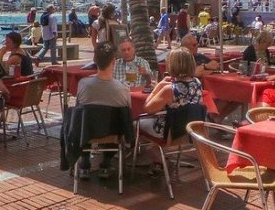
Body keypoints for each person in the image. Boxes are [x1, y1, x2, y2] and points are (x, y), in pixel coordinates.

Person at [141, 47, 204, 176]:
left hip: (170, 131)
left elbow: (148, 108)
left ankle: (158, 158)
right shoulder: (197, 83)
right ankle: (159, 158)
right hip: (188, 131)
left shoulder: (170, 89)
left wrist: (158, 86)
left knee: (135, 124)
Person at [74, 41, 131, 179]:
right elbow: (127, 114)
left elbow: (78, 109)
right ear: (114, 61)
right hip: (112, 132)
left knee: (83, 119)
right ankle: (106, 163)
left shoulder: (83, 84)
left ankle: (85, 163)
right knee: (117, 120)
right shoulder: (123, 89)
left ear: (94, 60)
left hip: (86, 132)